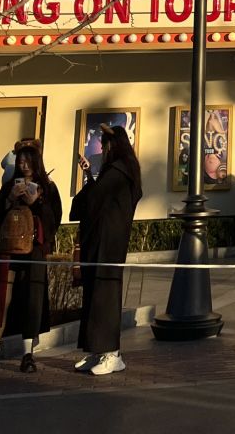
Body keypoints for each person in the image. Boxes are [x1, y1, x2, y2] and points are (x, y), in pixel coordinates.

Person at [0, 138, 62, 376]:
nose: (24, 165)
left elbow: (54, 220)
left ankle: (28, 355)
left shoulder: (47, 187)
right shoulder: (9, 186)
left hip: (33, 249)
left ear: (37, 162)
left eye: (28, 160)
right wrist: (9, 199)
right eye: (21, 160)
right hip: (6, 248)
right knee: (0, 299)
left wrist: (37, 203)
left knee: (31, 299)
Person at [70, 124, 142, 376]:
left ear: (115, 145)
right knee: (94, 293)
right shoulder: (120, 171)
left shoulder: (120, 171)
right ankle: (96, 350)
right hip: (100, 241)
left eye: (106, 144)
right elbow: (97, 198)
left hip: (108, 244)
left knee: (105, 294)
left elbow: (94, 200)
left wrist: (90, 183)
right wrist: (90, 176)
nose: (103, 148)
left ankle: (111, 352)